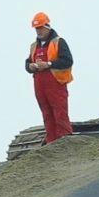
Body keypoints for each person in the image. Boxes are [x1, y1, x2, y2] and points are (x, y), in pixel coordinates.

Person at [25, 12, 75, 144]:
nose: (38, 31)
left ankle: (64, 139)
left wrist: (48, 64)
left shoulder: (58, 42)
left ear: (47, 26)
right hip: (40, 83)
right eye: (37, 28)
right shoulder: (34, 46)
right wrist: (31, 67)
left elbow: (67, 61)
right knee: (46, 112)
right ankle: (52, 141)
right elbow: (27, 63)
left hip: (55, 83)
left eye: (41, 28)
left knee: (59, 111)